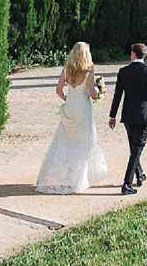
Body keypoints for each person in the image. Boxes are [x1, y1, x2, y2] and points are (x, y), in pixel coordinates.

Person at [36, 41, 107, 194]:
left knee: (64, 141)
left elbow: (58, 90)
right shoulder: (89, 69)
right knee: (83, 143)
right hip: (82, 108)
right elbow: (90, 92)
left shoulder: (67, 69)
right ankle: (78, 180)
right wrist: (99, 92)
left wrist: (68, 99)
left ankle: (58, 177)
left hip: (70, 108)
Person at [109, 43, 147, 195]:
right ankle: (127, 183)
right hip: (143, 115)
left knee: (134, 148)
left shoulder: (123, 72)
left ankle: (139, 174)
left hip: (128, 115)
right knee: (137, 148)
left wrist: (112, 115)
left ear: (134, 54)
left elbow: (117, 95)